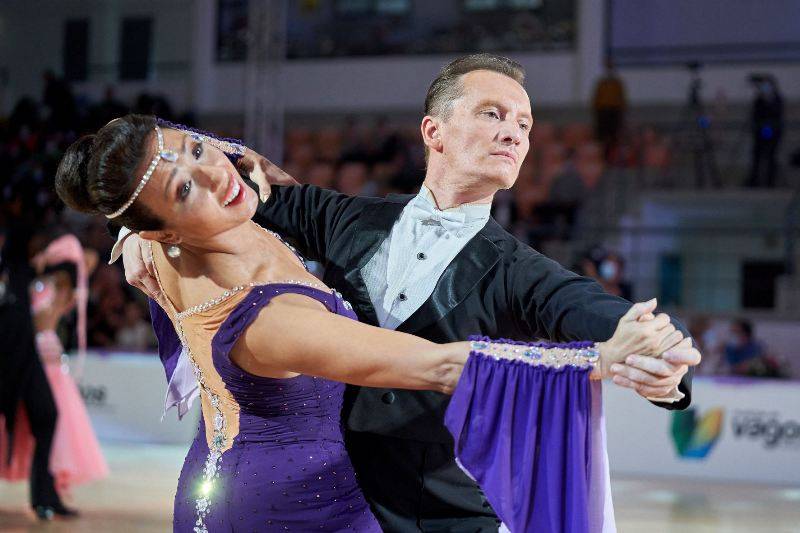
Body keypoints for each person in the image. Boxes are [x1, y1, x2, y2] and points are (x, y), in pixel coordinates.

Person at [119, 54, 701, 531]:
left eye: (524, 125)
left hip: (437, 517)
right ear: (434, 131)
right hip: (313, 500)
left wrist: (660, 356)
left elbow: (588, 308)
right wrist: (133, 229)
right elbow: (207, 179)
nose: (513, 133)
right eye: (493, 114)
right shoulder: (344, 217)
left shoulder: (519, 271)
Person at [1, 235, 108, 501]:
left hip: (49, 358)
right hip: (29, 357)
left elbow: (90, 258)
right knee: (40, 423)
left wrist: (52, 256)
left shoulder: (62, 289)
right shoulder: (31, 284)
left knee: (52, 426)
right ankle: (45, 495)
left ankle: (48, 494)